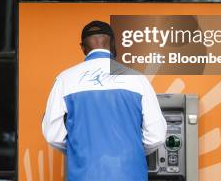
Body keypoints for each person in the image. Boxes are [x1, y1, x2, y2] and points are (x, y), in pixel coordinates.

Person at [42, 20, 167, 180]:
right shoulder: (138, 79)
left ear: (82, 48)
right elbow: (156, 136)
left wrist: (79, 151)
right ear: (114, 44)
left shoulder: (65, 79)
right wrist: (133, 152)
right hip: (130, 174)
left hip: (84, 174)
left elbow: (53, 135)